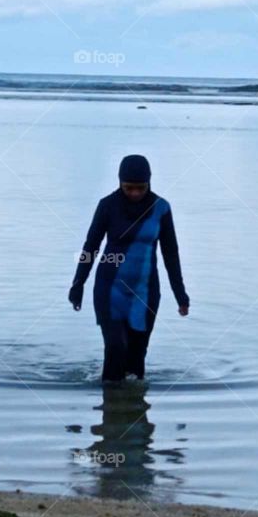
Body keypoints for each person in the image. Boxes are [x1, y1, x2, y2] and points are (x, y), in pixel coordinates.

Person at [68, 154, 190, 383]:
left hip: (145, 294)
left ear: (149, 182)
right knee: (115, 348)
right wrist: (78, 283)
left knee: (136, 361)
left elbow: (171, 254)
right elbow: (91, 247)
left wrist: (180, 294)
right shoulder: (107, 206)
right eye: (128, 188)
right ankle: (111, 410)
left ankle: (135, 414)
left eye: (140, 188)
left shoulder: (161, 209)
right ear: (119, 182)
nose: (134, 193)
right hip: (109, 290)